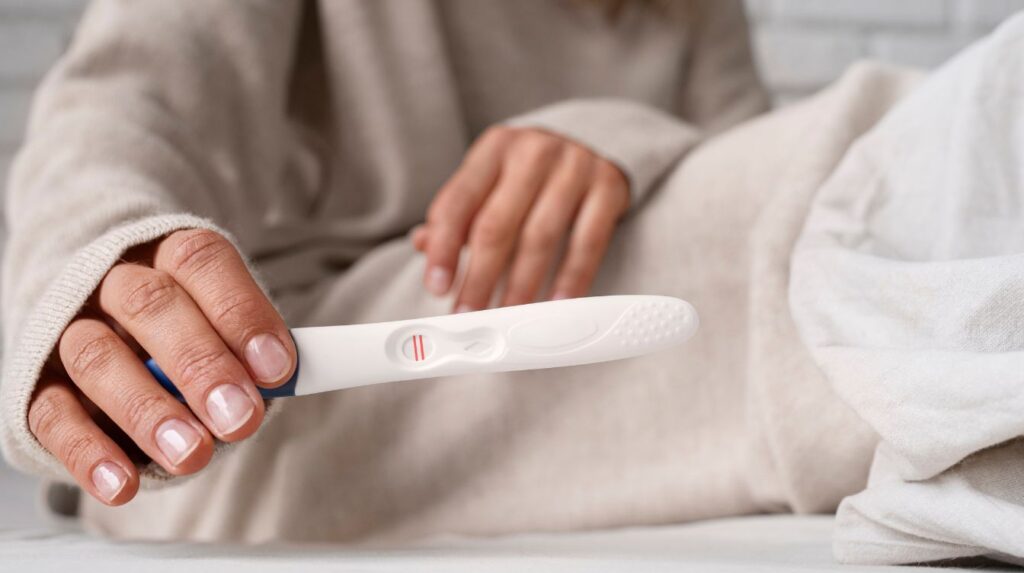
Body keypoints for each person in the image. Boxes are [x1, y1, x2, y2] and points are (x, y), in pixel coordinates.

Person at [1, 0, 779, 542]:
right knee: (817, 198)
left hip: (612, 346)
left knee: (796, 200)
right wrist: (101, 268)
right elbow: (132, 97)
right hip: (283, 405)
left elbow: (739, 179)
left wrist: (612, 137)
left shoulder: (688, 8)